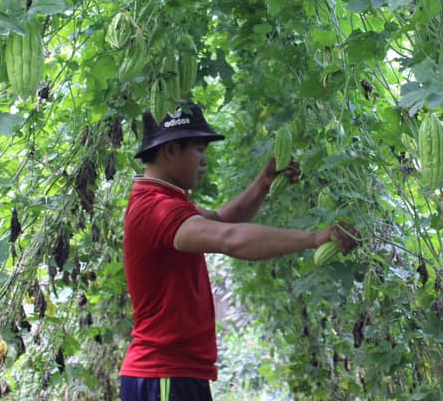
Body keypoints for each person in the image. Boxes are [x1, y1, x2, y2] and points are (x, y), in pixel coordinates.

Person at [119, 102, 357, 401]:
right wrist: (315, 238)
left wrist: (263, 183)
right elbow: (230, 238)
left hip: (173, 374)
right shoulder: (157, 209)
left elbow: (220, 221)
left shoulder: (163, 202)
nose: (204, 161)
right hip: (163, 375)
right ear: (170, 150)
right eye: (200, 150)